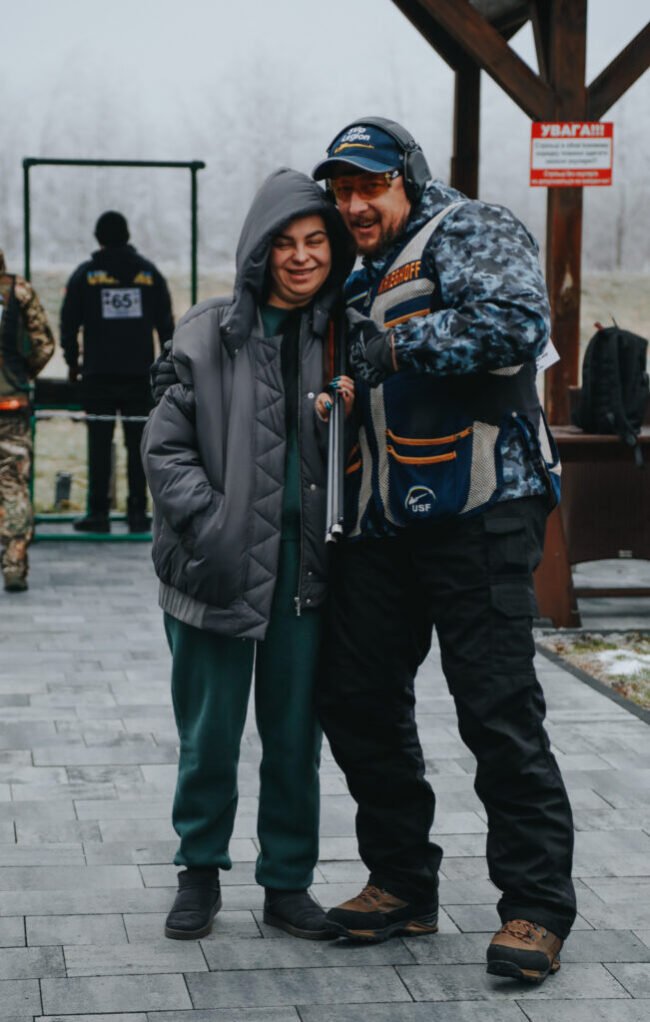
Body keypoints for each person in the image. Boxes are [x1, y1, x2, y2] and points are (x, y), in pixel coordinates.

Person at [308, 118, 576, 983]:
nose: (354, 204)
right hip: (386, 523)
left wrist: (395, 346)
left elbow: (516, 322)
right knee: (356, 697)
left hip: (484, 511)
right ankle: (402, 883)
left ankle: (536, 908)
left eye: (370, 186)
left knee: (497, 711)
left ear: (409, 180)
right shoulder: (359, 272)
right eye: (343, 191)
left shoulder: (470, 227)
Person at [142, 168, 355, 941]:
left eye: (316, 241)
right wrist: (214, 525)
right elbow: (164, 448)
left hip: (306, 572)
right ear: (258, 250)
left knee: (295, 739)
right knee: (209, 736)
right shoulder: (208, 333)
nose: (301, 257)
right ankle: (198, 872)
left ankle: (287, 884)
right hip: (217, 568)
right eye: (284, 242)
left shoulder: (346, 337)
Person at [60, 211, 174, 534]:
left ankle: (98, 513)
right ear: (127, 236)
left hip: (98, 375)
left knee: (99, 445)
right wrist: (165, 367)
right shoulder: (149, 274)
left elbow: (68, 324)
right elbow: (167, 327)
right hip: (140, 376)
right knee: (139, 446)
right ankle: (137, 512)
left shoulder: (85, 275)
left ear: (98, 237)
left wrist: (73, 363)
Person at [0, 247, 54, 592]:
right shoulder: (18, 290)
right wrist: (21, 376)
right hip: (10, 403)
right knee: (13, 483)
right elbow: (44, 344)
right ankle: (14, 564)